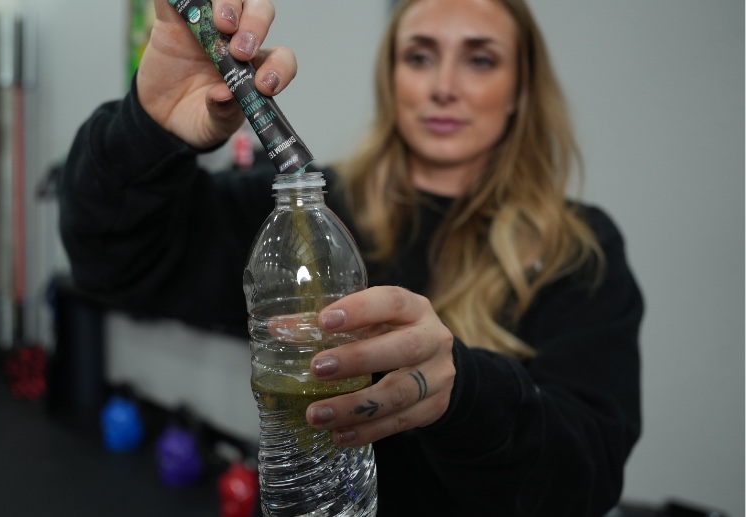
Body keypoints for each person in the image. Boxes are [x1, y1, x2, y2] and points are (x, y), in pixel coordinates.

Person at [58, 0, 644, 514]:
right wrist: (151, 124)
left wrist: (467, 395)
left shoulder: (576, 249)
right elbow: (115, 266)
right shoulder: (311, 217)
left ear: (520, 88)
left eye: (480, 59)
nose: (444, 84)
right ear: (391, 79)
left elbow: (586, 479)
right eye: (419, 56)